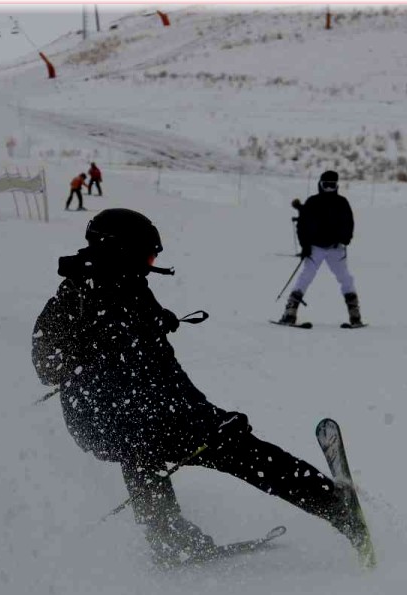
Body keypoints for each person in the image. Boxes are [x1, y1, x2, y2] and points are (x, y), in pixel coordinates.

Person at [31, 209, 369, 568]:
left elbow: (165, 370)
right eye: (147, 254)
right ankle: (330, 506)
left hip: (144, 412)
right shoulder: (76, 295)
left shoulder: (131, 288)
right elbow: (45, 364)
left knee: (203, 447)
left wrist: (208, 415)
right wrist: (94, 343)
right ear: (120, 249)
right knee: (175, 446)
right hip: (100, 419)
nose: (152, 263)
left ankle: (171, 539)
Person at [279, 170, 364, 328]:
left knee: (345, 278)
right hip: (315, 248)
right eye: (326, 185)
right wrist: (305, 246)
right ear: (320, 185)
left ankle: (355, 314)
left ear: (337, 186)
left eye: (332, 186)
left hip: (336, 249)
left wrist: (346, 238)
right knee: (305, 277)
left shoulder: (342, 203)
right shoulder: (312, 202)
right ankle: (290, 311)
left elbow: (349, 223)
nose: (329, 189)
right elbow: (302, 226)